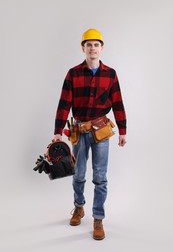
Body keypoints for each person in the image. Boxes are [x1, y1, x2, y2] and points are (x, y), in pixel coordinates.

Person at [52, 28, 127, 240]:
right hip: (79, 130)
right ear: (83, 48)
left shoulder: (110, 74)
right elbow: (64, 103)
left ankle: (98, 218)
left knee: (100, 177)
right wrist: (58, 132)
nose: (92, 48)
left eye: (96, 44)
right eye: (88, 44)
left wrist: (123, 130)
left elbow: (119, 103)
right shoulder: (73, 73)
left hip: (101, 132)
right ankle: (78, 207)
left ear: (101, 48)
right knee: (78, 173)